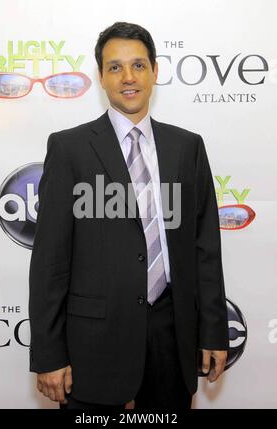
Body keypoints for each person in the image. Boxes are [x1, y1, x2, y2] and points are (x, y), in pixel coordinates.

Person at [29, 21, 229, 410]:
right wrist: (49, 354)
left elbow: (205, 248)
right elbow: (50, 261)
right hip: (94, 348)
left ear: (155, 71)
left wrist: (214, 331)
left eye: (138, 65)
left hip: (173, 340)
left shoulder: (187, 147)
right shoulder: (70, 149)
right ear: (101, 77)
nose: (128, 77)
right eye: (115, 67)